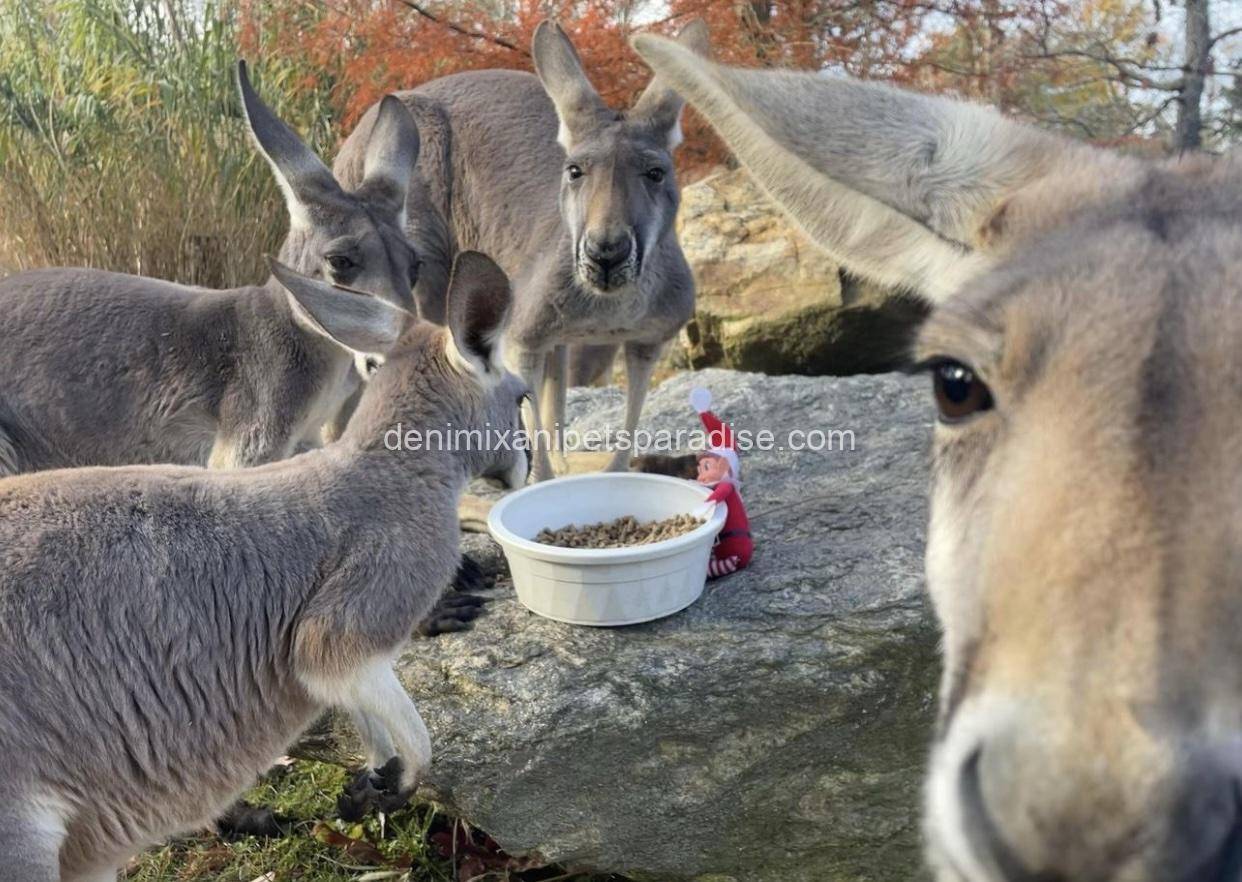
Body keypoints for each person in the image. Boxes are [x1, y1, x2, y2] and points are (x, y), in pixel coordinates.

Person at [690, 387, 754, 579]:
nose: (701, 476)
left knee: (702, 572)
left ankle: (707, 571)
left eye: (706, 467)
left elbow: (723, 490)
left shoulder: (727, 487)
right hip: (723, 546)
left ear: (724, 465)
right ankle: (709, 568)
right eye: (700, 470)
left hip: (734, 549)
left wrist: (707, 504)